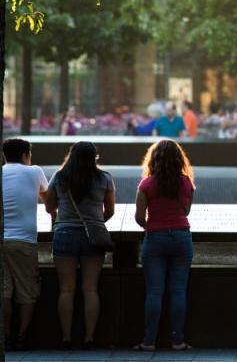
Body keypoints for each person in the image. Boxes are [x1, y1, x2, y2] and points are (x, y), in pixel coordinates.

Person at [45, 141, 116, 349]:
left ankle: (66, 337)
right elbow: (110, 211)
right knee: (90, 289)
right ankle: (89, 338)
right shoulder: (104, 178)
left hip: (64, 233)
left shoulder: (59, 177)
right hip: (92, 237)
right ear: (95, 156)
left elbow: (49, 205)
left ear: (72, 155)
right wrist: (95, 222)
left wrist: (60, 217)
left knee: (66, 289)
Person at [132, 140, 196, 352]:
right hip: (181, 238)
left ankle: (149, 341)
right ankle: (177, 341)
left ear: (154, 158)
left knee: (154, 292)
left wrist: (153, 225)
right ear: (179, 159)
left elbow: (140, 218)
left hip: (156, 239)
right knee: (178, 291)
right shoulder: (186, 183)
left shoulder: (146, 185)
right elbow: (185, 212)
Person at [3, 138, 49, 350]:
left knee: (4, 292)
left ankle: (4, 338)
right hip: (24, 241)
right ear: (25, 155)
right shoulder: (34, 172)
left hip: (2, 239)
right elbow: (49, 202)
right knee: (27, 292)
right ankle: (21, 338)